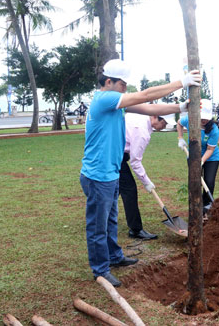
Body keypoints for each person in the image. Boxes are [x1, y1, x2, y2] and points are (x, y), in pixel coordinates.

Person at [80, 59, 201, 287]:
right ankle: (100, 270)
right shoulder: (104, 98)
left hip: (110, 173)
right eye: (123, 84)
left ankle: (114, 256)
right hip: (97, 175)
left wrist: (179, 108)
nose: (126, 88)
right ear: (109, 81)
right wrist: (181, 82)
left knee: (111, 220)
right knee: (98, 225)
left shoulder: (116, 103)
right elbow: (145, 96)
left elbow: (149, 108)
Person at [119, 112, 177, 240]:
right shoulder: (142, 131)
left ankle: (101, 218)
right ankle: (135, 230)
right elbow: (135, 162)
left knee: (116, 188)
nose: (164, 126)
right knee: (129, 190)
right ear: (155, 116)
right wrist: (146, 182)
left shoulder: (141, 118)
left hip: (113, 151)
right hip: (115, 156)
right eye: (164, 123)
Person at [177, 99, 219, 211]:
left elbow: (210, 149)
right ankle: (195, 204)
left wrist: (201, 161)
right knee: (195, 181)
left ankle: (206, 205)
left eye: (207, 117)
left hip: (212, 157)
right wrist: (180, 138)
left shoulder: (214, 130)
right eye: (202, 116)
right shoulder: (190, 120)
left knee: (209, 182)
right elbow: (179, 123)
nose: (204, 120)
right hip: (192, 156)